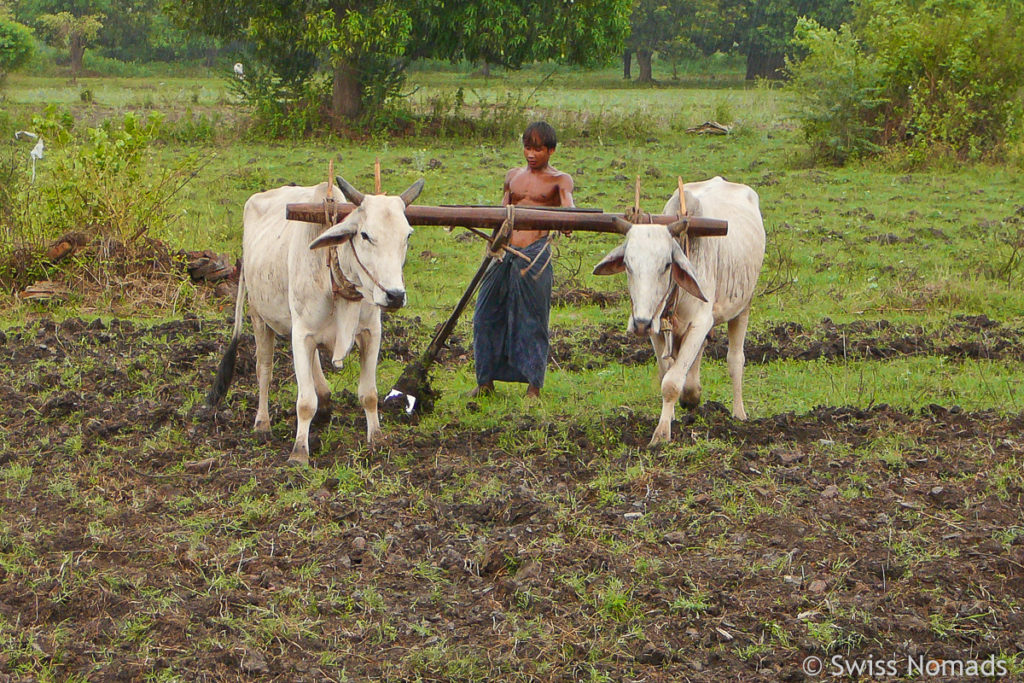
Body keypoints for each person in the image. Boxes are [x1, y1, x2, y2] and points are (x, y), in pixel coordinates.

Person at [470, 121, 574, 398]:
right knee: (484, 316)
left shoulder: (560, 180)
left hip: (534, 255)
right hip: (503, 252)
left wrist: (568, 220)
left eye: (538, 149)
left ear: (551, 150)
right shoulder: (512, 176)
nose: (531, 154)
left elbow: (569, 208)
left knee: (533, 319)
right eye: (527, 147)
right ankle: (485, 383)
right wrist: (492, 243)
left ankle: (533, 388)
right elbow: (501, 213)